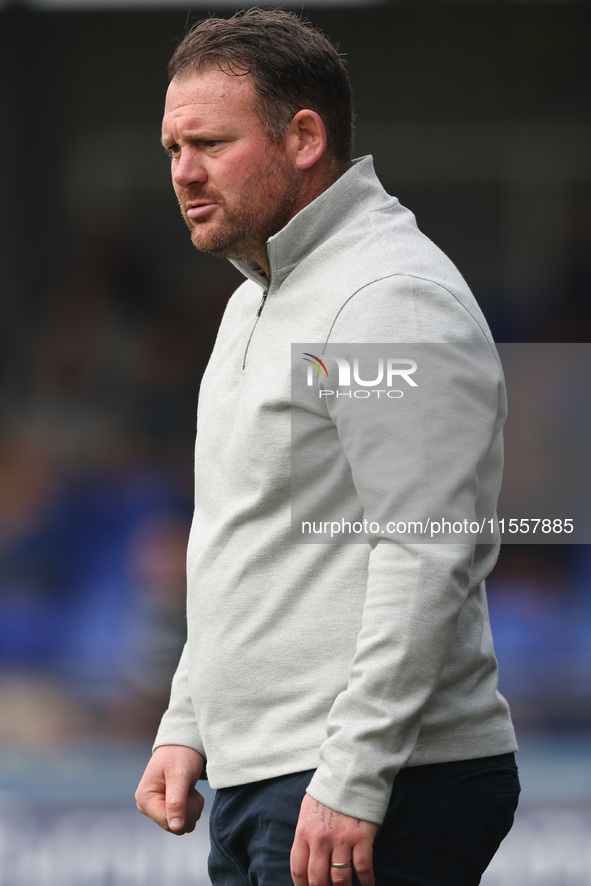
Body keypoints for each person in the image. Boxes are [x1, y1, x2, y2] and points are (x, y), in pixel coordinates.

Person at [135, 10, 520, 885]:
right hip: (271, 778)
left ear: (304, 137)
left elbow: (424, 550)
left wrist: (354, 774)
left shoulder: (388, 295)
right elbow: (245, 535)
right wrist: (188, 722)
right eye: (171, 149)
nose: (183, 174)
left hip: (369, 785)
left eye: (208, 144)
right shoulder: (254, 298)